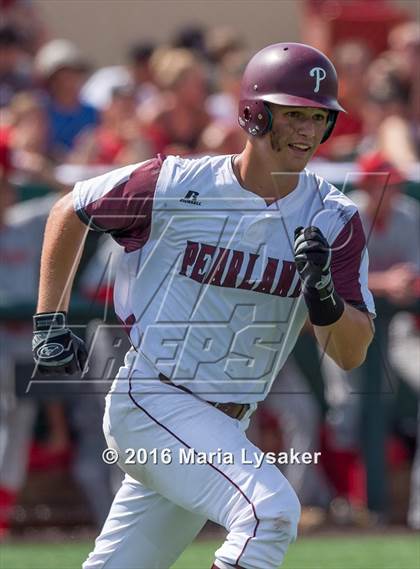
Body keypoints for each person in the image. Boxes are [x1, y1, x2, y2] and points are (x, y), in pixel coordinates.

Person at [32, 43, 375, 569]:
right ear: (253, 114)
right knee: (270, 513)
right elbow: (70, 208)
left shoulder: (334, 218)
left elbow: (351, 354)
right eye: (293, 114)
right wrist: (49, 319)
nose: (307, 130)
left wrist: (324, 299)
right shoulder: (177, 182)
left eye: (318, 117)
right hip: (154, 399)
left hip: (224, 424)